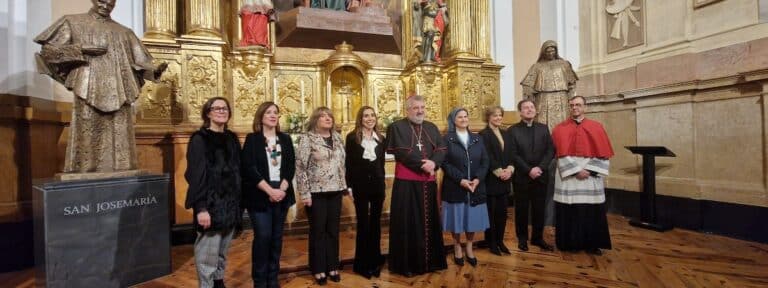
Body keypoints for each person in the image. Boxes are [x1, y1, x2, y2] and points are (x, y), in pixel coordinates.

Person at [34, 0, 167, 174]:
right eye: (101, 1)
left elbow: (140, 62)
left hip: (119, 89)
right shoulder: (72, 22)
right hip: (87, 87)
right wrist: (81, 49)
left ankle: (121, 170)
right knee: (88, 134)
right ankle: (85, 171)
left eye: (110, 3)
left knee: (121, 141)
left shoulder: (124, 32)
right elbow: (48, 53)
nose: (105, 5)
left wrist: (154, 70)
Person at [385, 95, 447, 276]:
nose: (420, 111)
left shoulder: (431, 127)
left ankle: (431, 262)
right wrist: (423, 164)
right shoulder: (397, 127)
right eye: (415, 107)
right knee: (408, 223)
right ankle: (408, 265)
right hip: (407, 185)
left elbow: (442, 149)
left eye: (422, 107)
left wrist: (434, 163)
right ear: (407, 109)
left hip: (428, 183)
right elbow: (400, 152)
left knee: (429, 222)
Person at [184, 97, 242, 288]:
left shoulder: (232, 138)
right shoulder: (200, 139)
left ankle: (219, 282)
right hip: (210, 206)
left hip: (231, 205)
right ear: (208, 113)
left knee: (222, 252)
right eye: (216, 108)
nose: (221, 111)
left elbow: (238, 172)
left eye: (225, 108)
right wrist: (200, 208)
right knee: (207, 255)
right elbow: (195, 175)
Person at [241, 102, 296, 288]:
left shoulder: (285, 139)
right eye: (268, 112)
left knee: (276, 237)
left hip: (281, 192)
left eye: (276, 112)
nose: (273, 115)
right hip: (260, 193)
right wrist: (269, 190)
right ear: (261, 117)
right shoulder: (253, 139)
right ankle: (259, 280)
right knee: (263, 236)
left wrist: (282, 188)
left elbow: (290, 166)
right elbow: (249, 168)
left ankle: (273, 278)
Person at [551, 96, 614, 255]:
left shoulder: (597, 127)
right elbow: (559, 153)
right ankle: (569, 243)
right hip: (568, 176)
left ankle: (592, 244)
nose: (574, 107)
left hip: (590, 176)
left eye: (578, 105)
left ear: (585, 107)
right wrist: (575, 170)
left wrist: (590, 170)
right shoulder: (559, 128)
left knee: (591, 210)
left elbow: (603, 153)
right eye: (571, 105)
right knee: (569, 210)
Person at [296, 107, 348, 285]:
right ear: (315, 120)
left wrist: (344, 186)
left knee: (333, 231)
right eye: (323, 116)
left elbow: (342, 164)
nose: (327, 118)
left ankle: (332, 265)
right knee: (318, 231)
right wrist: (304, 193)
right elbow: (301, 167)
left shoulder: (337, 137)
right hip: (316, 193)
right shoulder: (307, 139)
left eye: (330, 116)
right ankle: (318, 268)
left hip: (335, 191)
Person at [441, 108, 490, 267]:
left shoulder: (477, 138)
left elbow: (485, 161)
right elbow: (444, 163)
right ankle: (457, 246)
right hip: (456, 186)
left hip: (476, 187)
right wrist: (461, 180)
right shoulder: (446, 139)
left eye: (465, 116)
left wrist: (477, 179)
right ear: (453, 120)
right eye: (459, 116)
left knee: (472, 219)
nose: (463, 119)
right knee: (457, 219)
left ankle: (469, 247)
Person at [507, 100, 555, 252]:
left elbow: (550, 151)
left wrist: (540, 168)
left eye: (532, 107)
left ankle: (537, 238)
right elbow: (513, 154)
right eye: (525, 108)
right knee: (521, 209)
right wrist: (529, 170)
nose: (529, 110)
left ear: (535, 110)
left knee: (539, 209)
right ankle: (522, 239)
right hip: (522, 176)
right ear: (520, 112)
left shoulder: (543, 128)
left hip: (540, 176)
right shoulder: (512, 130)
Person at [345, 106, 386, 279]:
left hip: (377, 187)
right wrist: (349, 186)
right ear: (360, 119)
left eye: (372, 115)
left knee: (376, 224)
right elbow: (349, 164)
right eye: (366, 116)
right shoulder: (352, 138)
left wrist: (382, 183)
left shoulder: (381, 139)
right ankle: (362, 264)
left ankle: (375, 261)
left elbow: (381, 164)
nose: (370, 118)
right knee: (363, 224)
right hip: (360, 187)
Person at [478, 106, 514, 256]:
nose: (498, 118)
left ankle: (500, 241)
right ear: (488, 117)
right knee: (491, 213)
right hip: (491, 180)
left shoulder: (506, 134)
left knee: (502, 213)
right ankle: (491, 242)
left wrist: (510, 169)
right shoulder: (483, 135)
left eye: (500, 115)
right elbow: (486, 156)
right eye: (495, 115)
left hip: (505, 179)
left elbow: (511, 154)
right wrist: (500, 172)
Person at [520, 40, 578, 131]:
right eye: (548, 51)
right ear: (544, 52)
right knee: (542, 124)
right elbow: (527, 84)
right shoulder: (537, 66)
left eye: (553, 51)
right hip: (543, 98)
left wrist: (571, 98)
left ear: (556, 51)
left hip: (562, 98)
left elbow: (572, 83)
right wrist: (530, 101)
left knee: (563, 125)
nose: (551, 53)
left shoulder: (564, 64)